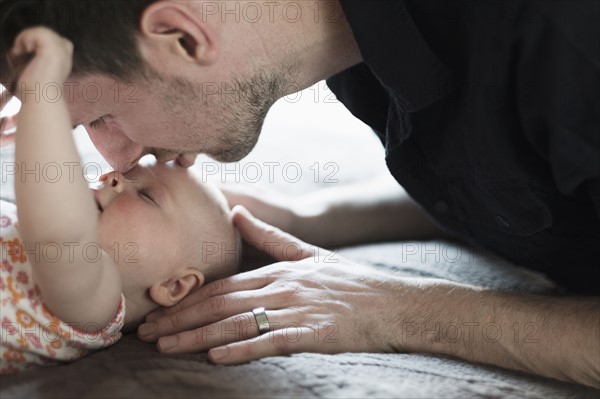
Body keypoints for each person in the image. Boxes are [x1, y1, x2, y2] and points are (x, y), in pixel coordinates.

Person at [0, 0, 598, 388]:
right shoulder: (346, 49)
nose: (116, 161)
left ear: (181, 37)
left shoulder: (566, 47)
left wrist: (405, 311)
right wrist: (313, 217)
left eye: (101, 116)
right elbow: (518, 187)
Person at [0, 27, 240, 373]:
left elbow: (59, 231)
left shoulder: (97, 306)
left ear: (173, 285)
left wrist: (45, 95)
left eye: (146, 195)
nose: (111, 175)